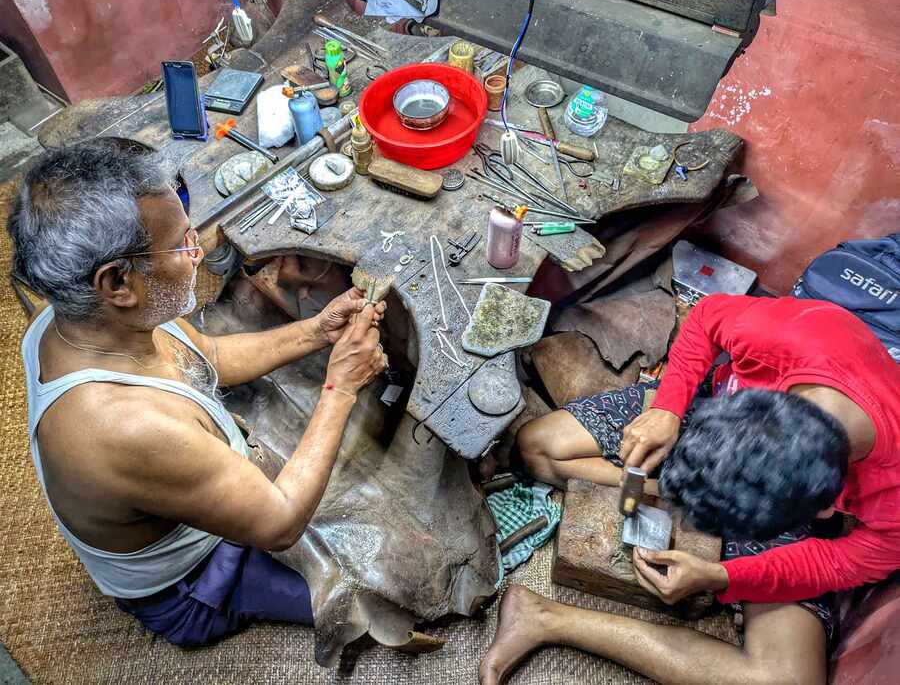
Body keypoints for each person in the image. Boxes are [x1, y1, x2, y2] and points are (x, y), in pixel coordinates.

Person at [9, 139, 388, 646]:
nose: (199, 250)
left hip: (174, 470)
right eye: (182, 242)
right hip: (193, 589)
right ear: (119, 281)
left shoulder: (73, 319)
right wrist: (340, 387)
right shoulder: (122, 427)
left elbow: (204, 356)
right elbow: (279, 525)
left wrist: (316, 331)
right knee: (378, 597)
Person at [480, 294, 900, 684]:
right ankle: (676, 473)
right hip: (706, 422)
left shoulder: (891, 500)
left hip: (789, 507)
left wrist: (723, 576)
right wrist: (667, 408)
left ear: (826, 507)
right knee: (537, 448)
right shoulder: (800, 336)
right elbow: (705, 317)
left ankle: (544, 618)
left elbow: (838, 564)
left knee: (787, 679)